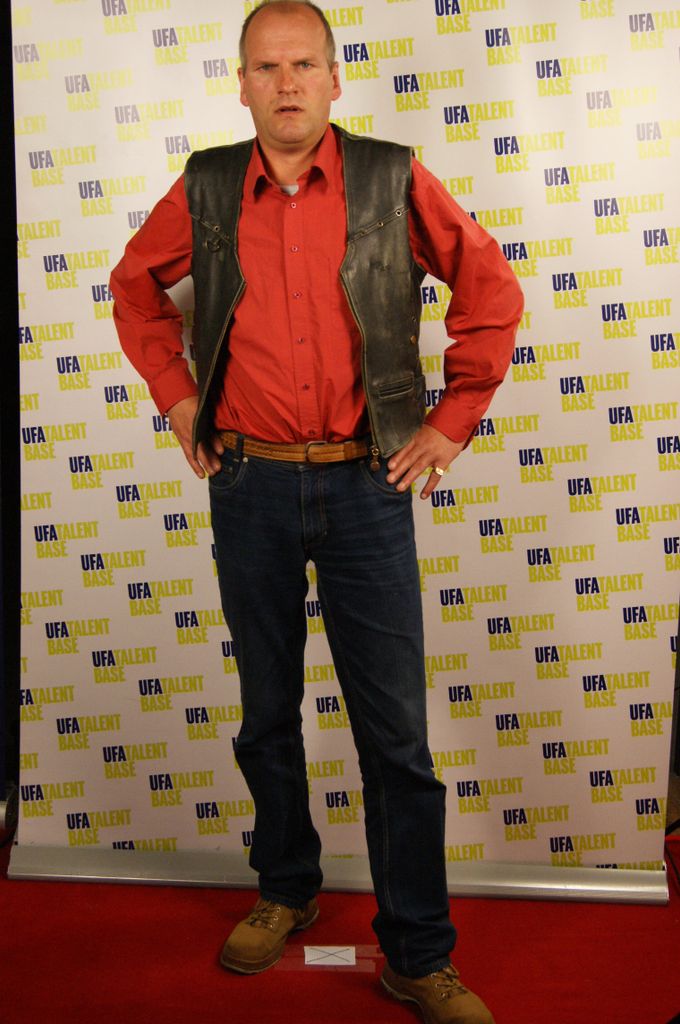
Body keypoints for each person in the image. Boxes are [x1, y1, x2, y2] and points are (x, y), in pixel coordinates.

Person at [110, 2, 523, 1021]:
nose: (286, 83)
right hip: (246, 483)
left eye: (304, 64)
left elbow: (488, 287)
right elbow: (133, 286)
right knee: (265, 714)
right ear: (242, 84)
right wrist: (178, 400)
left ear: (335, 79)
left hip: (366, 485)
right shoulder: (207, 185)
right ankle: (286, 887)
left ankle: (416, 951)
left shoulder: (392, 178)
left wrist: (451, 422)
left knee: (396, 739)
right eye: (266, 66)